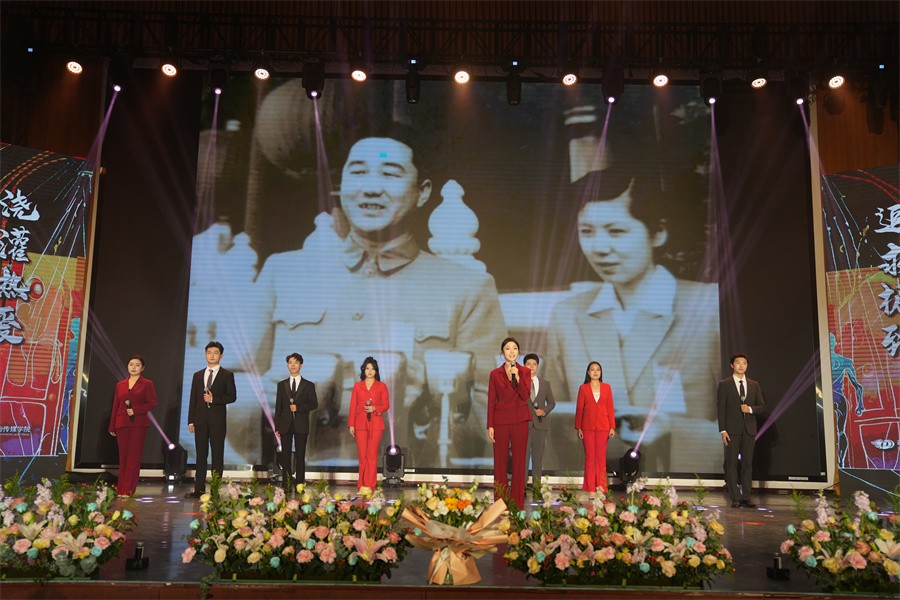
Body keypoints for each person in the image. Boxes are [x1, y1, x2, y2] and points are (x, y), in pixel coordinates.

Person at [242, 124, 507, 467]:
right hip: (295, 477)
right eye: (358, 172)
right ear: (341, 186)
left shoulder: (467, 287)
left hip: (408, 480)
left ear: (422, 192)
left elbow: (493, 416)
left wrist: (424, 405)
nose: (370, 187)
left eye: (390, 173)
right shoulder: (284, 272)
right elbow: (233, 390)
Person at [545, 165, 720, 474]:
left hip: (689, 485)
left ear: (658, 232)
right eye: (587, 232)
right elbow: (552, 424)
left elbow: (743, 424)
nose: (599, 248)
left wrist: (672, 433)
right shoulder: (567, 314)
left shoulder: (708, 307)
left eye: (616, 231)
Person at [185, 341, 237, 498]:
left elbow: (232, 396)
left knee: (217, 455)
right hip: (200, 420)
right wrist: (191, 420)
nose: (212, 355)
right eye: (209, 352)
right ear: (205, 355)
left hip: (217, 421)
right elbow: (193, 399)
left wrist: (213, 399)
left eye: (215, 353)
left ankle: (214, 490)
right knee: (201, 455)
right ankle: (199, 489)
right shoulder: (198, 375)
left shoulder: (227, 375)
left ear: (221, 355)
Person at [716, 353, 766, 508]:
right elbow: (721, 409)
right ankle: (735, 497)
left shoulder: (754, 385)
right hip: (732, 430)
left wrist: (749, 409)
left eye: (744, 363)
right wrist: (723, 430)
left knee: (747, 464)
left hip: (749, 430)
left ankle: (746, 497)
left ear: (747, 366)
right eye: (738, 363)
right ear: (732, 365)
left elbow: (762, 406)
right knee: (731, 464)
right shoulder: (724, 384)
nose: (741, 366)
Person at [487, 337, 532, 509]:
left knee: (519, 463)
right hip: (500, 421)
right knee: (500, 463)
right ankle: (500, 503)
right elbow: (491, 400)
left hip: (520, 419)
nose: (511, 351)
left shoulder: (525, 372)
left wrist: (517, 377)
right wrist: (490, 425)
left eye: (514, 348)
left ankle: (517, 504)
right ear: (502, 352)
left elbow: (525, 395)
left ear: (518, 352)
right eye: (507, 348)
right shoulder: (494, 374)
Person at [108, 355, 158, 497]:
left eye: (137, 365)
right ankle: (121, 489)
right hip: (121, 423)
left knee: (133, 457)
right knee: (123, 457)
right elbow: (116, 405)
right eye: (131, 364)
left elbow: (152, 403)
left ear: (142, 368)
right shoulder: (120, 385)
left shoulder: (147, 384)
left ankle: (129, 489)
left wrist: (136, 410)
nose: (134, 367)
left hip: (138, 424)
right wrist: (112, 425)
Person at [274, 353, 318, 488]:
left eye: (296, 362)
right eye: (290, 362)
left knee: (300, 455)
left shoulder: (308, 385)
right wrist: (277, 427)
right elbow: (278, 407)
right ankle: (287, 482)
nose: (293, 365)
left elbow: (314, 404)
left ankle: (299, 483)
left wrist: (298, 408)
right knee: (285, 455)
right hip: (285, 425)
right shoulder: (282, 385)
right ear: (287, 365)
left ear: (301, 365)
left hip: (301, 424)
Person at [348, 356, 390, 491]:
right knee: (362, 457)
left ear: (376, 371)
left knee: (372, 456)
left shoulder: (381, 386)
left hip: (376, 424)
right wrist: (351, 424)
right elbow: (353, 406)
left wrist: (375, 408)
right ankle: (361, 486)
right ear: (363, 370)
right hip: (360, 424)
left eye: (372, 369)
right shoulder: (357, 386)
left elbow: (386, 405)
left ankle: (370, 486)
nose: (370, 371)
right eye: (367, 368)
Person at [575, 361, 616, 493]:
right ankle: (590, 488)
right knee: (590, 457)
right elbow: (579, 408)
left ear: (601, 372)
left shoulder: (607, 387)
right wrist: (578, 427)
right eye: (592, 369)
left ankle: (601, 488)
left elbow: (610, 408)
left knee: (601, 458)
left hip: (604, 427)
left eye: (598, 369)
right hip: (587, 427)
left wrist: (612, 427)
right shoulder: (583, 388)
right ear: (588, 372)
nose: (595, 372)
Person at [523, 353, 555, 492]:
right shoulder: (519, 383)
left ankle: (537, 488)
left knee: (537, 459)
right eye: (528, 364)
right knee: (523, 459)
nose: (531, 367)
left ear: (537, 366)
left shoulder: (545, 384)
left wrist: (544, 411)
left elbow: (552, 403)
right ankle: (522, 487)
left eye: (534, 364)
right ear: (524, 366)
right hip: (524, 425)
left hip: (540, 425)